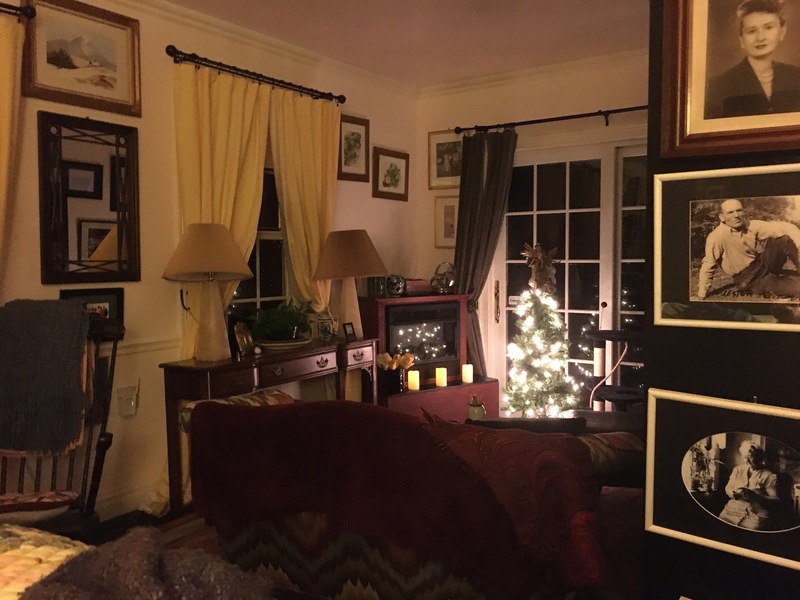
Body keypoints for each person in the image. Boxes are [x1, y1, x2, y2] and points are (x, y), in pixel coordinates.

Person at [705, 0, 800, 119]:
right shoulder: (718, 86)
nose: (760, 38)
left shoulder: (796, 76)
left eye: (768, 27)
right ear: (741, 39)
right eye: (751, 31)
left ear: (782, 31)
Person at [696, 198, 800, 299]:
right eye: (730, 212)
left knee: (784, 240)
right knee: (797, 288)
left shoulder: (750, 225)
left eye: (739, 210)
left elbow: (785, 227)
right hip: (748, 278)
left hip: (761, 263)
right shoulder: (717, 237)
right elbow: (708, 264)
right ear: (722, 217)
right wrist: (702, 293)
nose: (736, 215)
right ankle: (770, 284)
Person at [719, 440, 784, 530]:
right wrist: (734, 493)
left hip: (756, 513)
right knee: (722, 523)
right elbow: (728, 487)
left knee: (749, 531)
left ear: (758, 457)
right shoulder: (738, 470)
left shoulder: (769, 476)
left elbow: (776, 500)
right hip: (734, 509)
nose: (747, 460)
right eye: (745, 457)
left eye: (750, 457)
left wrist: (755, 496)